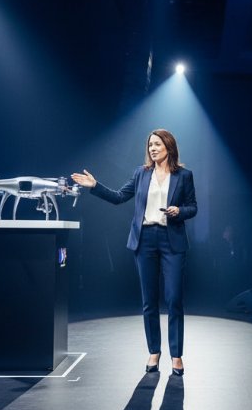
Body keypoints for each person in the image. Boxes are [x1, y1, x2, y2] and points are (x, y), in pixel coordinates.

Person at [72, 129, 197, 376]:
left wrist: (178, 211)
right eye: (150, 145)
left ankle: (176, 355)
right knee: (149, 301)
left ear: (169, 147)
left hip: (172, 241)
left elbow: (192, 207)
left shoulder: (184, 175)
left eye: (157, 144)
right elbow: (119, 197)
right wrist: (94, 186)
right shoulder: (141, 174)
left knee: (174, 300)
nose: (152, 148)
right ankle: (154, 351)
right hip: (145, 240)